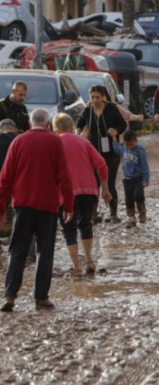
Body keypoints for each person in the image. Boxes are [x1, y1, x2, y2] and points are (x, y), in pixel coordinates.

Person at [0, 109, 73, 312]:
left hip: (22, 205)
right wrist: (68, 205)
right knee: (44, 252)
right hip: (48, 206)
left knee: (17, 250)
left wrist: (0, 206)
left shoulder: (18, 142)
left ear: (31, 124)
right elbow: (65, 177)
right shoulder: (55, 142)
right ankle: (41, 298)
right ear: (48, 125)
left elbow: (5, 178)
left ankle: (10, 295)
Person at [53, 113, 110, 276]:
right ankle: (89, 261)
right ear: (71, 127)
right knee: (85, 225)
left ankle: (77, 267)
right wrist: (105, 188)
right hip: (88, 191)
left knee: (68, 229)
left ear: (56, 129)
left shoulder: (55, 143)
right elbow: (102, 165)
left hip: (65, 194)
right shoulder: (84, 142)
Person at [76, 85, 127, 222]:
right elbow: (79, 124)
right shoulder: (87, 111)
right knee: (94, 183)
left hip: (110, 151)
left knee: (110, 182)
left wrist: (116, 130)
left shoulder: (112, 109)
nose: (95, 100)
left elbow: (123, 124)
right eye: (92, 97)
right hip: (92, 151)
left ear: (103, 96)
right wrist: (80, 134)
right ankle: (93, 214)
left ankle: (113, 213)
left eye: (98, 97)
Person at [110, 129, 150, 229]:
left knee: (138, 195)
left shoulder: (140, 150)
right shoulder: (124, 148)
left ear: (136, 140)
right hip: (127, 179)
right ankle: (131, 219)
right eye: (127, 144)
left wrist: (146, 179)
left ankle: (142, 212)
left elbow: (145, 165)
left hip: (138, 179)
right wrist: (114, 138)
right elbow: (116, 148)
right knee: (129, 199)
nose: (129, 147)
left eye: (131, 144)